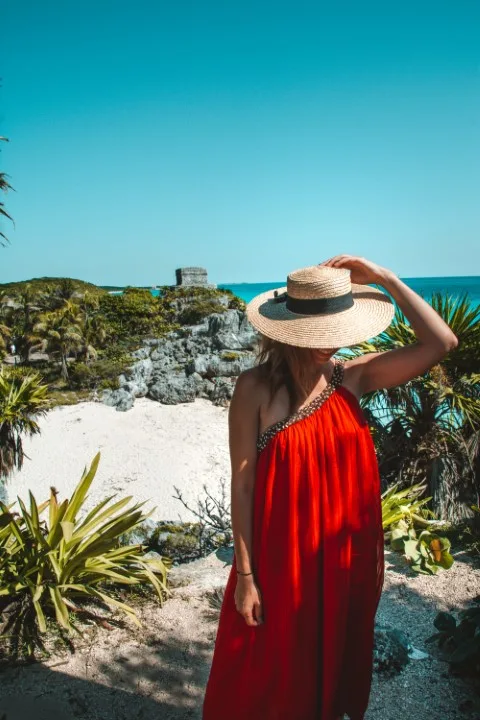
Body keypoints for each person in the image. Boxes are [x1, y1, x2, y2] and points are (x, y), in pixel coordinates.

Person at [202, 255, 458, 720]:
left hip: (341, 557)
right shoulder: (255, 388)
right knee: (269, 673)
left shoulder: (354, 378)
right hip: (280, 559)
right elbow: (242, 486)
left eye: (336, 329)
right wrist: (244, 576)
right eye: (318, 333)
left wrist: (385, 278)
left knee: (328, 662)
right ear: (288, 328)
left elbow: (441, 342)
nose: (328, 344)